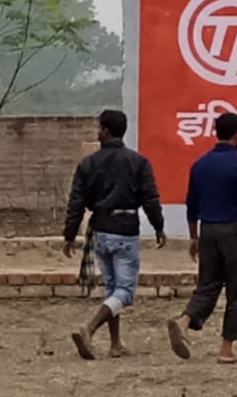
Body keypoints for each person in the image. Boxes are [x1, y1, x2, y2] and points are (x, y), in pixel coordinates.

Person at [167, 112, 237, 364]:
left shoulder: (199, 165)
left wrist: (194, 238)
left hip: (208, 230)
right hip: (233, 230)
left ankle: (185, 321)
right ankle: (226, 348)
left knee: (208, 284)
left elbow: (191, 205)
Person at [61, 109, 166, 360]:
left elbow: (76, 202)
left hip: (100, 230)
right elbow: (150, 198)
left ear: (106, 131)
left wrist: (69, 235)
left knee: (112, 290)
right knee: (125, 292)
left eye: (99, 128)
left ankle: (116, 344)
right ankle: (89, 329)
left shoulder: (88, 164)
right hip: (125, 229)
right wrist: (158, 226)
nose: (98, 132)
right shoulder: (138, 162)